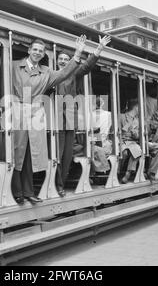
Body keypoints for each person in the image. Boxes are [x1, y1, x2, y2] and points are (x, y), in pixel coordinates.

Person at [11, 35, 87, 205]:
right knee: (18, 152)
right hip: (18, 113)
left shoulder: (46, 71)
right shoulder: (14, 65)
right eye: (35, 49)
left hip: (36, 115)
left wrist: (77, 54)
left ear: (43, 54)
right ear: (29, 50)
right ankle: (17, 192)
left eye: (40, 51)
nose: (37, 53)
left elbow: (64, 72)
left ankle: (29, 191)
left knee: (32, 153)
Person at [55, 35, 111, 196]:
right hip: (54, 120)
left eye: (66, 59)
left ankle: (60, 184)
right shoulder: (51, 74)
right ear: (57, 60)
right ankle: (54, 183)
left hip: (69, 120)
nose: (64, 61)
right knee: (56, 154)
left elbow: (87, 66)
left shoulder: (73, 74)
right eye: (61, 59)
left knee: (66, 155)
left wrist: (98, 49)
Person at [119, 98, 142, 184]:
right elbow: (118, 130)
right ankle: (117, 171)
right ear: (136, 107)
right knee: (124, 152)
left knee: (137, 151)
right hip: (121, 140)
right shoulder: (121, 116)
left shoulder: (138, 121)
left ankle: (128, 174)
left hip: (132, 141)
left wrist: (135, 134)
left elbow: (138, 136)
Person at [146, 112, 158, 181]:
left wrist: (154, 145)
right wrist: (147, 143)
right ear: (151, 120)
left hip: (153, 146)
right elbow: (139, 139)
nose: (156, 126)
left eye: (157, 124)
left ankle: (151, 172)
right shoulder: (144, 125)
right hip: (143, 145)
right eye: (154, 124)